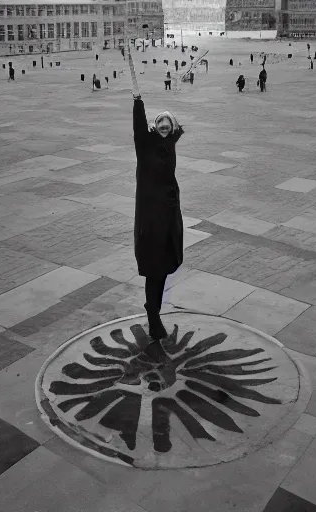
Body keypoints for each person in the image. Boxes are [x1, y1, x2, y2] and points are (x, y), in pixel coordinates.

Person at [132, 93, 184, 353]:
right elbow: (139, 131)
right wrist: (138, 103)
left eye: (168, 124)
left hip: (169, 221)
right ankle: (153, 313)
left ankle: (154, 310)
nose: (164, 127)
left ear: (172, 129)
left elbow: (176, 131)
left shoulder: (171, 144)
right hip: (150, 221)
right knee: (153, 270)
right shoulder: (146, 147)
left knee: (162, 270)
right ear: (155, 127)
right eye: (160, 123)